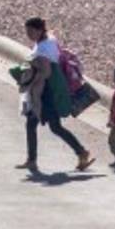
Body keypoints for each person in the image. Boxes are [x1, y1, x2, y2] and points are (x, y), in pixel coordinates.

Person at [16, 17, 94, 173]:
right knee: (53, 127)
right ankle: (80, 152)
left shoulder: (43, 49)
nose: (28, 35)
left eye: (31, 31)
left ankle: (34, 160)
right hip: (52, 90)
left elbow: (46, 72)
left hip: (46, 93)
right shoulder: (50, 40)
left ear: (39, 30)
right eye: (27, 31)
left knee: (37, 124)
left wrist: (28, 82)